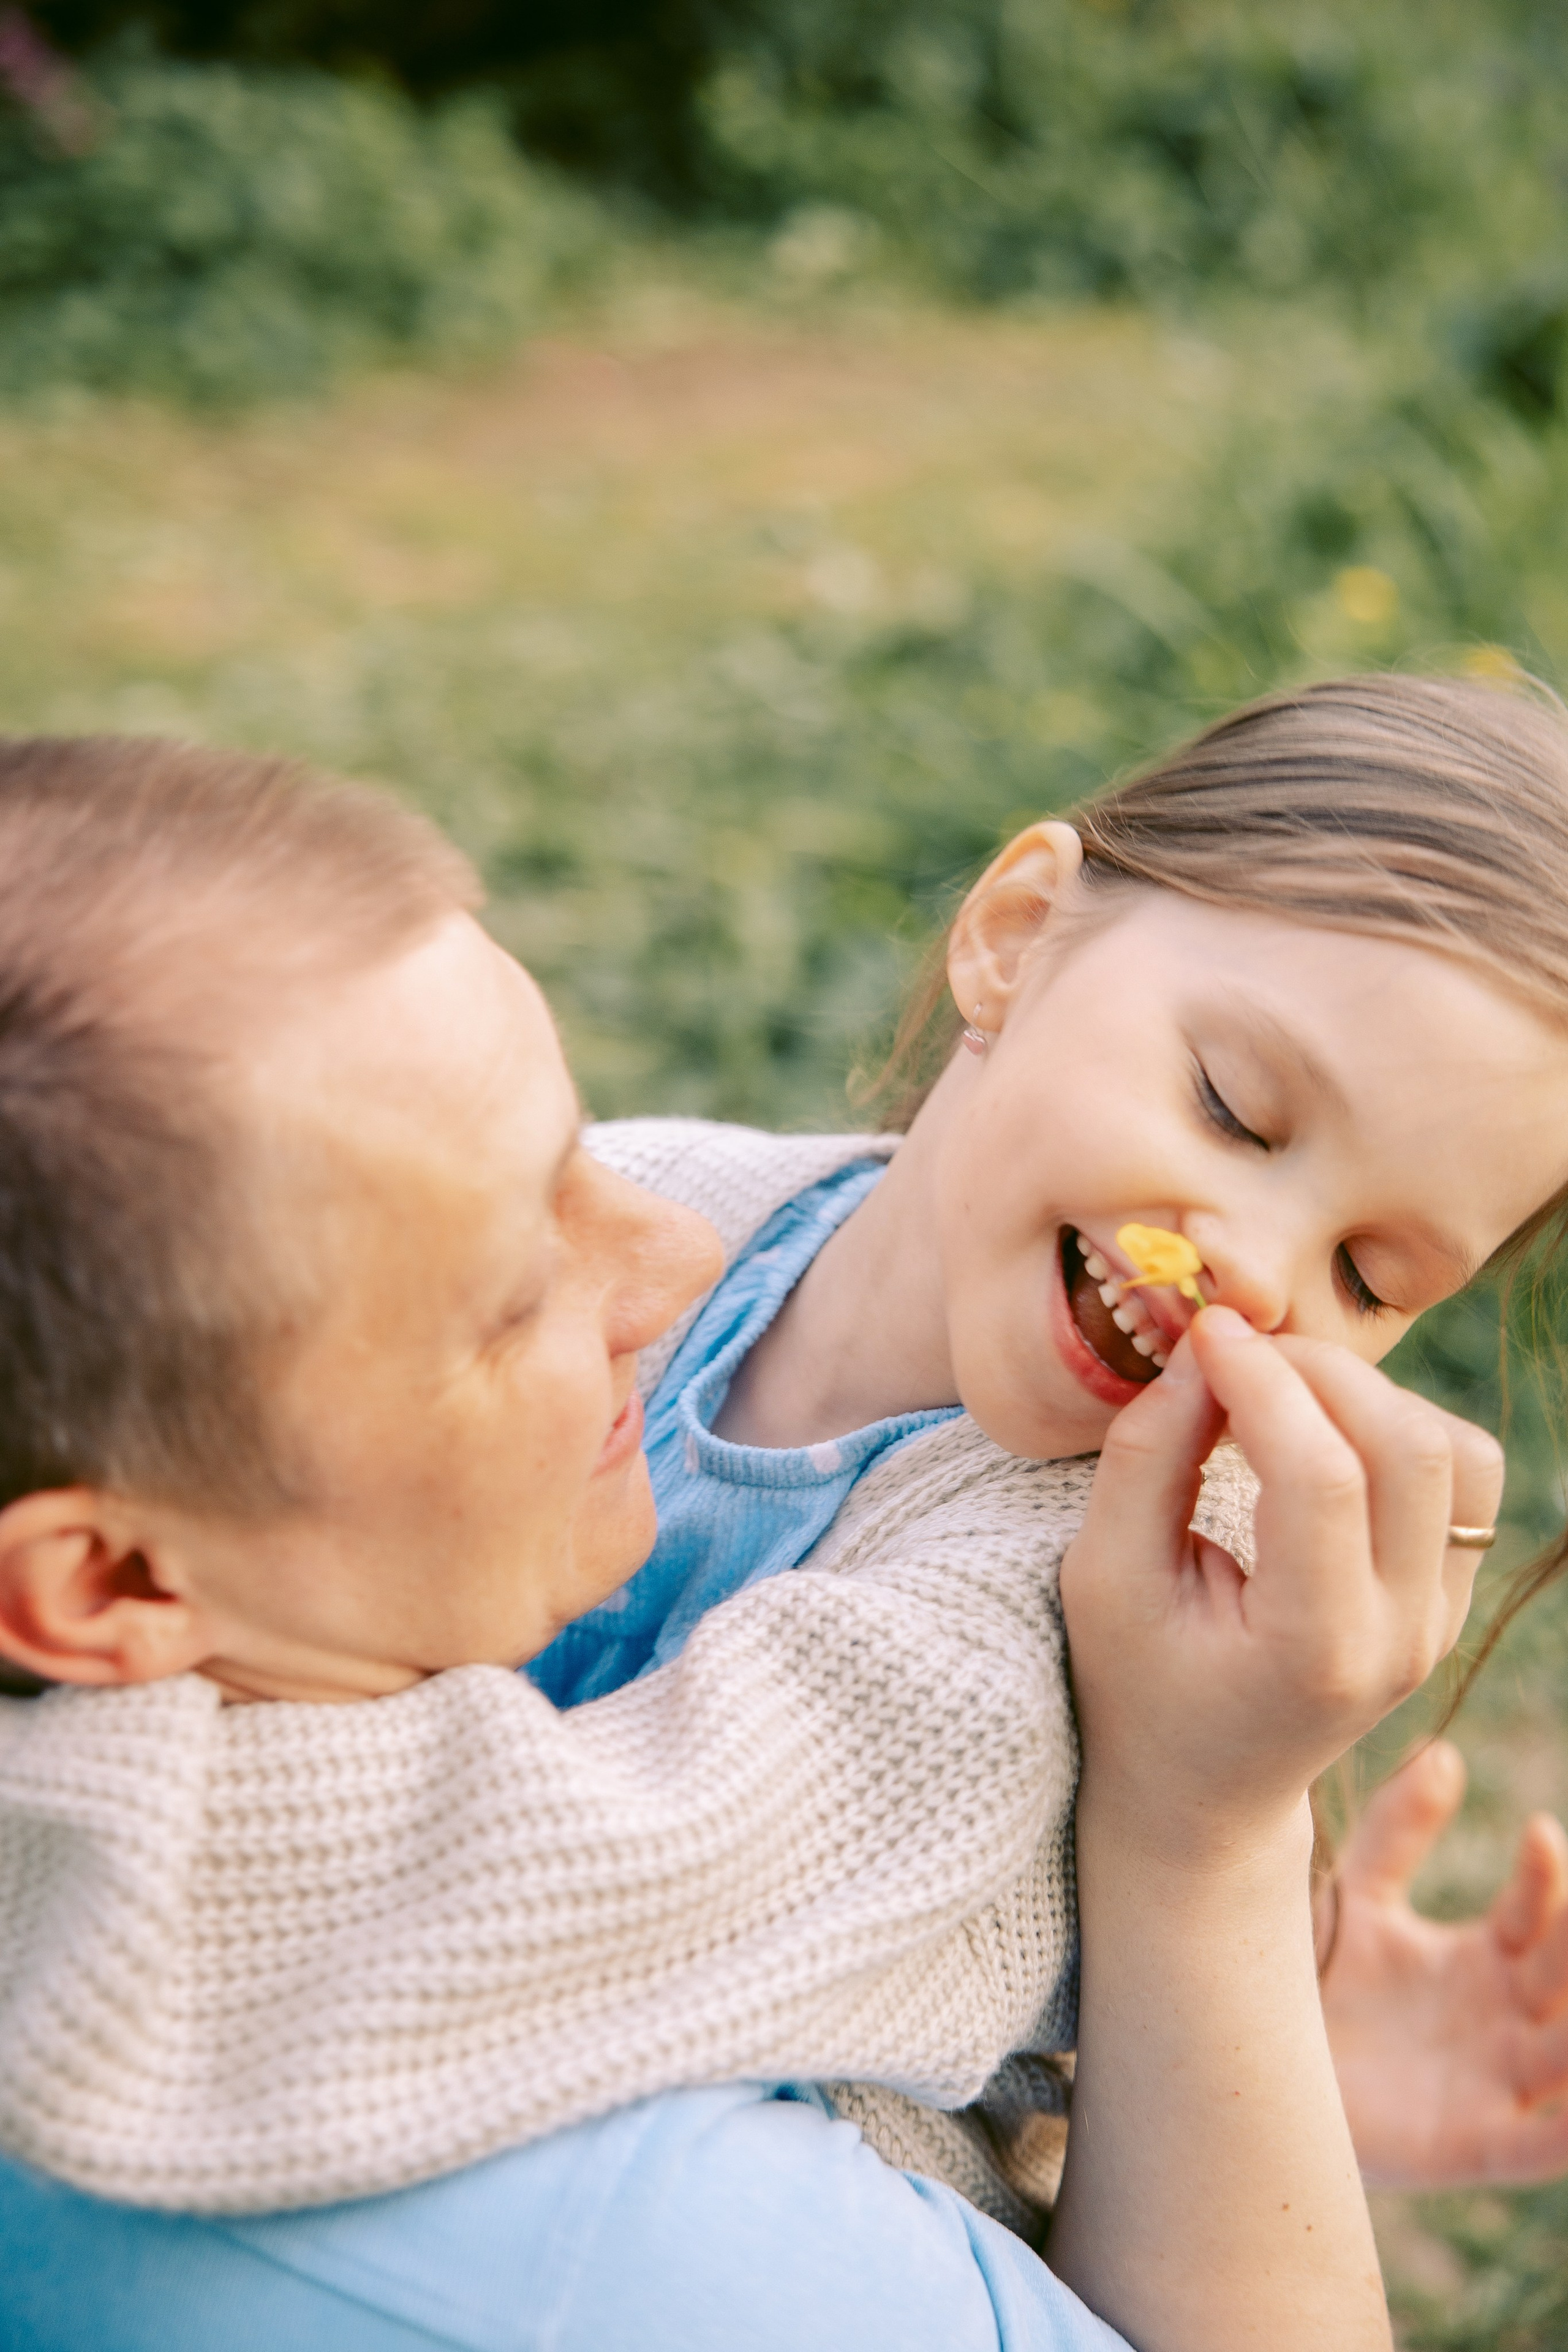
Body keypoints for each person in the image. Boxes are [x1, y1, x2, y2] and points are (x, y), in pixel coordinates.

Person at [0, 728, 1501, 2352]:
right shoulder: (707, 1200)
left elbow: (496, 1889)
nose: (1265, 1278)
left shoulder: (1028, 1623)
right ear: (1013, 938)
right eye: (1235, 1109)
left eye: (1374, 1281)